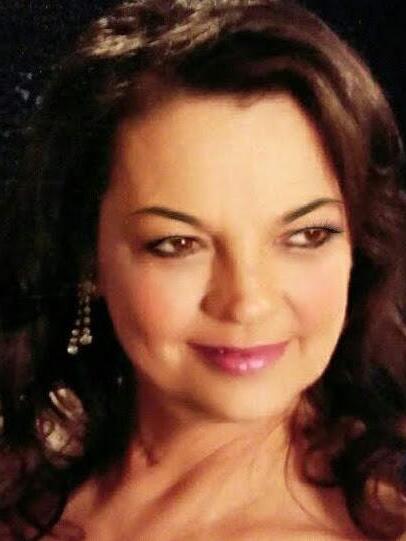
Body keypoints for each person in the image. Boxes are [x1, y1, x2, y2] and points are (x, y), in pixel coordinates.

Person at [1, 0, 406, 539]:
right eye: (178, 243)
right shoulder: (24, 470)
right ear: (86, 256)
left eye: (306, 235)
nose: (247, 302)